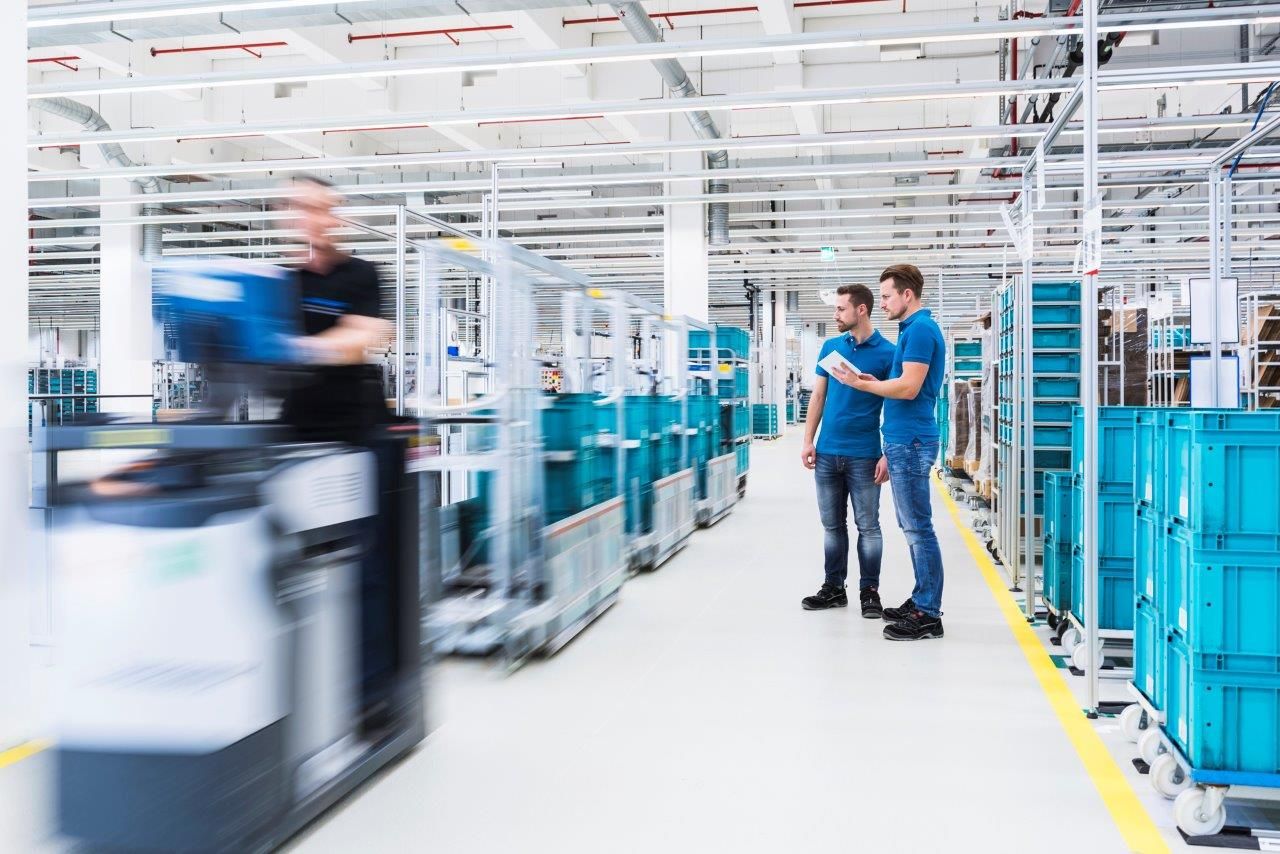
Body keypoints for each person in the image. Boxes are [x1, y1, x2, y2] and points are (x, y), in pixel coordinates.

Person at [279, 176, 403, 732]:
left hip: (358, 437)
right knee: (291, 569)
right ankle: (299, 691)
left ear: (335, 216)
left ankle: (370, 692)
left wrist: (301, 348)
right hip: (297, 438)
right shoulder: (279, 283)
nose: (308, 217)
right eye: (299, 207)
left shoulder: (362, 275)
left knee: (366, 566)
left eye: (319, 208)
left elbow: (370, 332)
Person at [829, 264, 946, 641]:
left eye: (886, 297)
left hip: (911, 440)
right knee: (911, 526)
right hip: (903, 438)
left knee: (918, 529)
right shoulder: (912, 329)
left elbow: (910, 389)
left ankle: (928, 613)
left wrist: (863, 388)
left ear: (906, 295)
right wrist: (872, 381)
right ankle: (920, 599)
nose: (881, 304)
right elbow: (902, 383)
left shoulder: (922, 330)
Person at [800, 284, 896, 617]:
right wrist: (808, 440)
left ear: (861, 310)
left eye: (841, 309)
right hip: (827, 452)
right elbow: (818, 397)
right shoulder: (830, 347)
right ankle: (833, 587)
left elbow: (897, 405)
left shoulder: (888, 353)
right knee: (832, 526)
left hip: (865, 454)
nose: (835, 314)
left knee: (868, 526)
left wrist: (887, 453)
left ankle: (869, 591)